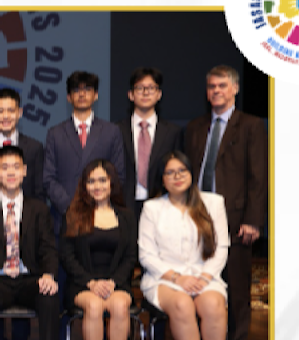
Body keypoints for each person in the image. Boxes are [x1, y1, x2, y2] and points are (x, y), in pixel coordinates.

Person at [183, 65, 268, 340]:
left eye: (222, 85)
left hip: (236, 220)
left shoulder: (251, 126)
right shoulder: (194, 127)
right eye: (212, 86)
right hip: (196, 217)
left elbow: (258, 176)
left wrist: (253, 220)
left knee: (237, 288)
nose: (216, 91)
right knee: (197, 283)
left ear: (235, 88)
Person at [0, 145, 60, 340]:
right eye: (5, 167)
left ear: (24, 171)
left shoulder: (39, 209)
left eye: (16, 167)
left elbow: (49, 249)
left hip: (29, 279)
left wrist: (48, 275)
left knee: (49, 296)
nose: (11, 172)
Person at [139, 151, 230, 340]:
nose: (177, 176)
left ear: (191, 173)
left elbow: (221, 247)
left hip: (204, 277)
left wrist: (205, 277)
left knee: (213, 305)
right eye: (170, 172)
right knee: (182, 304)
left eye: (182, 170)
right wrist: (178, 278)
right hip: (164, 279)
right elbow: (146, 255)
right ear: (162, 179)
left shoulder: (213, 203)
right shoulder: (152, 208)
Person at [59, 159, 137, 340]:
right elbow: (67, 256)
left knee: (119, 306)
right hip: (82, 284)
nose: (97, 186)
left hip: (117, 284)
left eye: (102, 180)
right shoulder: (73, 215)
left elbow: (131, 256)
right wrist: (91, 283)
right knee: (94, 306)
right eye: (91, 181)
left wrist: (113, 282)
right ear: (84, 186)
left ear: (111, 182)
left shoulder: (127, 216)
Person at [45, 71, 125, 233]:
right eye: (76, 90)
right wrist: (70, 207)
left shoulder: (111, 131)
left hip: (101, 216)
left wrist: (98, 205)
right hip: (65, 216)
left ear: (96, 95)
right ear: (69, 97)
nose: (82, 94)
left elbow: (118, 175)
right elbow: (48, 178)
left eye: (87, 89)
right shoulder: (55, 133)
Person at [116, 67, 183, 222]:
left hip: (162, 205)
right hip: (124, 207)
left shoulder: (172, 132)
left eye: (151, 88)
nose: (145, 93)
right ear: (130, 95)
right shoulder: (116, 130)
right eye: (140, 88)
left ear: (159, 94)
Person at [0, 87, 45, 202]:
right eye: (0, 111)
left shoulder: (35, 148)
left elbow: (39, 192)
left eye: (11, 111)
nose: (6, 116)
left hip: (27, 212)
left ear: (19, 113)